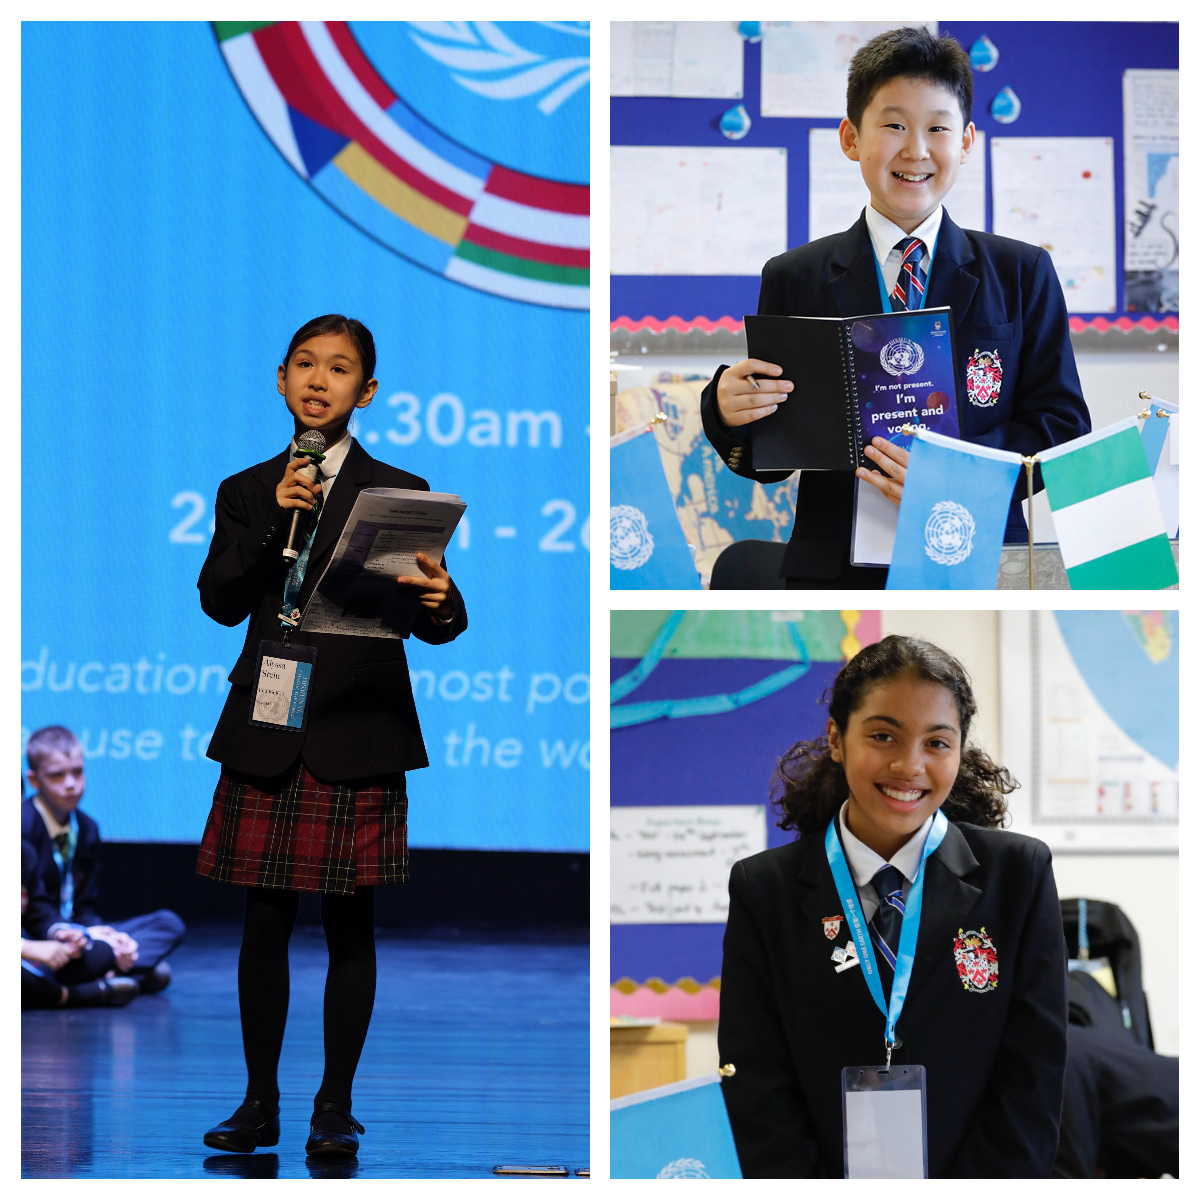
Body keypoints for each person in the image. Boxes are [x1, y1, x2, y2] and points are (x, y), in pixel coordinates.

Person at [195, 314, 467, 1159]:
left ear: (367, 391)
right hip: (270, 718)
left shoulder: (400, 489)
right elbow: (218, 601)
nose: (319, 380)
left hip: (360, 723)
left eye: (339, 368)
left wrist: (442, 600)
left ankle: (335, 1107)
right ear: (281, 380)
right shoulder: (249, 489)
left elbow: (438, 620)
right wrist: (269, 524)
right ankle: (258, 1102)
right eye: (305, 365)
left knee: (352, 924)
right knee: (263, 919)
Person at [701, 27, 1091, 588]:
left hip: (978, 556)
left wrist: (952, 474)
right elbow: (773, 460)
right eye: (894, 125)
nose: (916, 150)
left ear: (966, 142)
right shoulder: (794, 276)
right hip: (834, 571)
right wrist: (727, 409)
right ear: (850, 138)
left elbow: (1062, 427)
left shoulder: (1022, 272)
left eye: (938, 128)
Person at [718, 636, 1068, 1177]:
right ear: (837, 738)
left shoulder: (1019, 875)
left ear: (959, 750)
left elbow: (1034, 1074)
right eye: (883, 736)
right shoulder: (764, 889)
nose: (909, 765)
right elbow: (756, 1079)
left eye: (937, 743)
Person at [21, 726, 185, 997]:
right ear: (34, 780)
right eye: (57, 775)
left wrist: (99, 933)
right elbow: (32, 913)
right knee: (144, 968)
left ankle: (106, 969)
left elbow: (85, 905)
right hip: (40, 939)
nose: (70, 783)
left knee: (169, 924)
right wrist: (69, 934)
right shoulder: (22, 826)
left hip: (77, 937)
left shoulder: (87, 828)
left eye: (77, 772)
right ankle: (106, 973)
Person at [21, 842, 139, 1008]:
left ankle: (115, 970)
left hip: (34, 954)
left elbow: (40, 913)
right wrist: (25, 948)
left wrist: (62, 932)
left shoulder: (23, 853)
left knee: (103, 951)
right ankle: (69, 995)